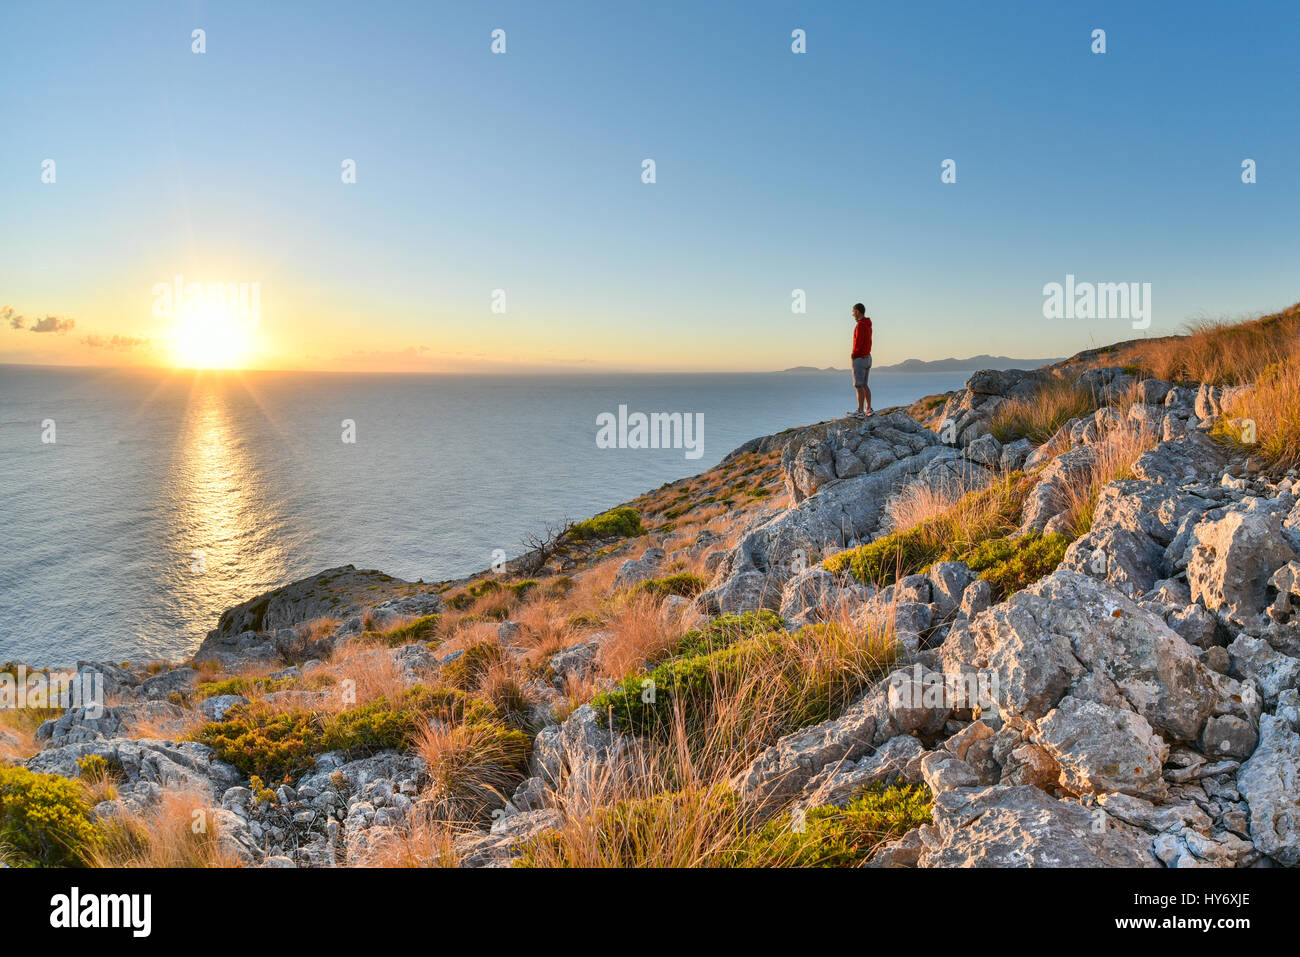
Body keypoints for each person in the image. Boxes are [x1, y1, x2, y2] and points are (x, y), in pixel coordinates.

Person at [848, 303, 873, 418]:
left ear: (858, 311)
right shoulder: (868, 325)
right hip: (868, 357)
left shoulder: (860, 325)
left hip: (860, 358)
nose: (852, 314)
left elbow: (858, 342)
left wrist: (854, 355)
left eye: (853, 311)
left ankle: (860, 410)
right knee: (864, 384)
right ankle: (868, 408)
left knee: (859, 385)